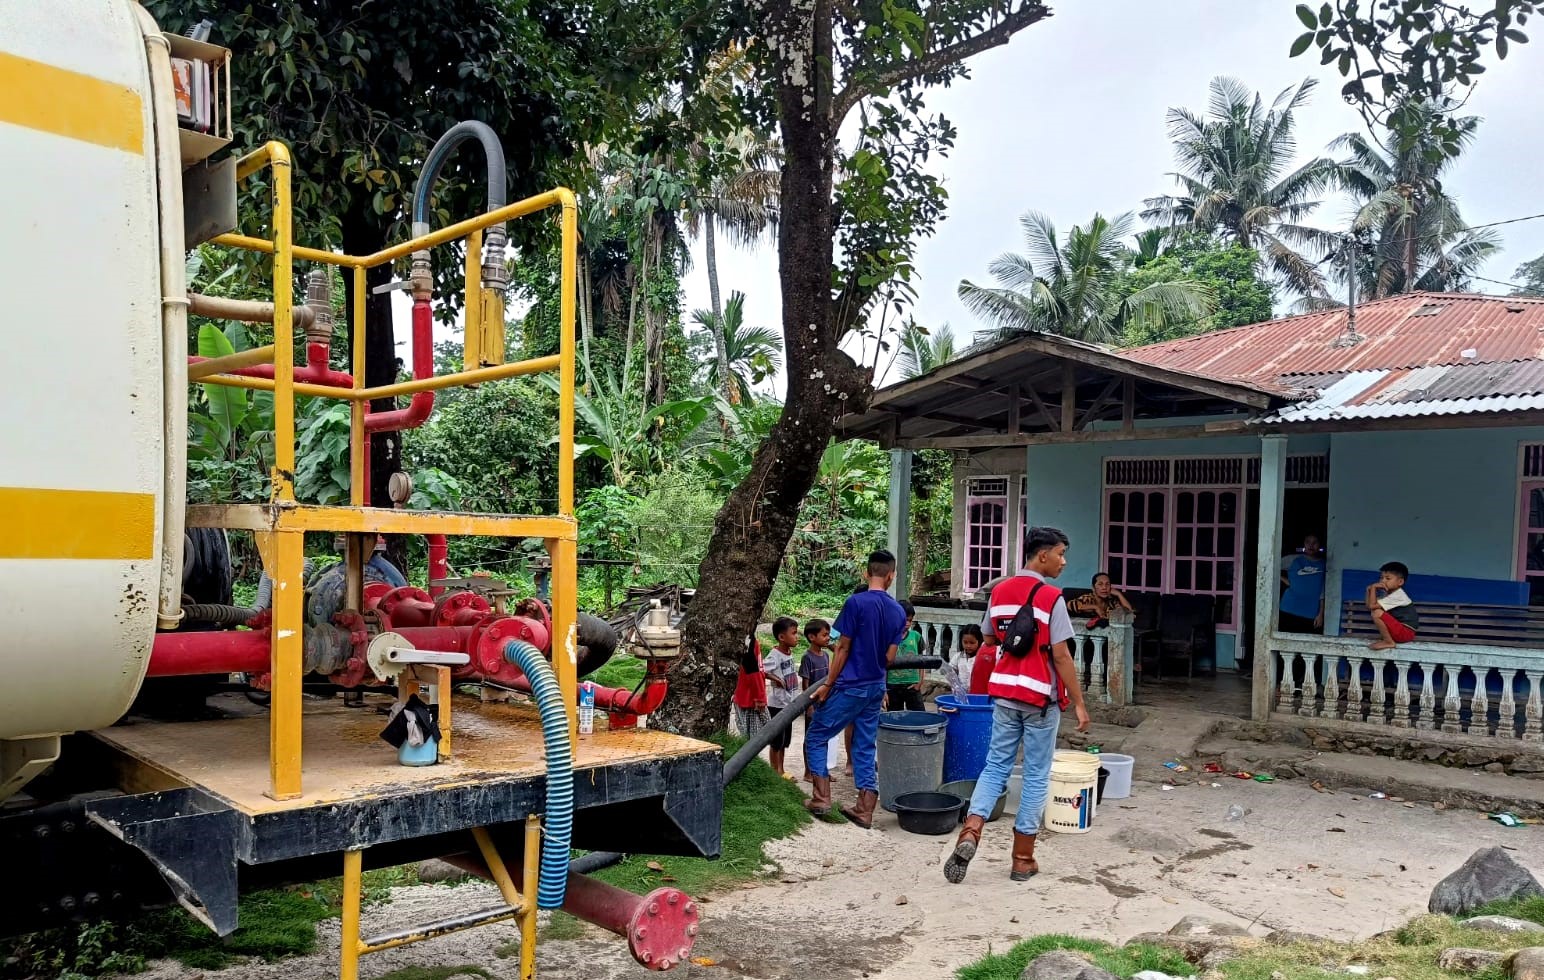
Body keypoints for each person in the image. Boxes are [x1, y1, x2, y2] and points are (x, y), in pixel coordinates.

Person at [944, 526, 1090, 885]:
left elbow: (990, 638)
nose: (1063, 561)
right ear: (1043, 555)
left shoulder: (1000, 591)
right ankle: (1022, 859)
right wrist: (1081, 704)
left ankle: (971, 831)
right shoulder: (1051, 597)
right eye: (1060, 553)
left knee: (995, 767)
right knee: (1037, 774)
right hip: (1040, 699)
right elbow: (1061, 655)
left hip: (1005, 694)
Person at [803, 549, 908, 828]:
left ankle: (821, 798)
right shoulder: (898, 612)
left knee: (816, 736)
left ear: (866, 573)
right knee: (864, 745)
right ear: (891, 576)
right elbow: (889, 658)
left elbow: (843, 648)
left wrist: (827, 684)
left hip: (851, 685)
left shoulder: (855, 603)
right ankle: (864, 809)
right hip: (876, 686)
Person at [763, 617, 802, 778]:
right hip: (777, 705)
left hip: (788, 704)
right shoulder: (775, 655)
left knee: (785, 741)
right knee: (777, 741)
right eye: (793, 633)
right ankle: (775, 771)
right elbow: (761, 670)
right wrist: (775, 679)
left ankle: (781, 769)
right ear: (781, 637)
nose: (797, 637)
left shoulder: (788, 653)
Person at [1279, 534, 1327, 634]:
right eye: (1308, 542)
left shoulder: (1324, 564)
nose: (1311, 545)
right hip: (1289, 608)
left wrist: (1320, 614)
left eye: (1315, 542)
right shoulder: (1293, 559)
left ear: (1320, 545)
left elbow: (1323, 591)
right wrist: (1287, 581)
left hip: (1310, 612)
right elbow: (1271, 565)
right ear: (1304, 544)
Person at [1367, 561, 1418, 650]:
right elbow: (1369, 606)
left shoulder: (1398, 595)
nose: (1383, 581)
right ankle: (1388, 640)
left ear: (1400, 581)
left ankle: (1388, 642)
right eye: (1381, 578)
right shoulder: (1388, 595)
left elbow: (1372, 606)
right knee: (1376, 611)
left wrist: (1374, 588)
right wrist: (1369, 591)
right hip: (1398, 631)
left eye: (1388, 578)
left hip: (1405, 633)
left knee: (1377, 612)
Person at [887, 601, 926, 711]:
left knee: (919, 717)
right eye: (905, 620)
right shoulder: (888, 637)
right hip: (892, 684)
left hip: (912, 684)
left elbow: (921, 661)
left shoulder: (916, 637)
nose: (907, 623)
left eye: (910, 620)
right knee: (894, 717)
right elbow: (884, 662)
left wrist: (919, 682)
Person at [733, 637, 769, 741]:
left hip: (745, 696)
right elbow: (752, 671)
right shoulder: (747, 640)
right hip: (750, 699)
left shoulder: (747, 639)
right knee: (754, 741)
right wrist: (759, 698)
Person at [1069, 572, 1133, 628]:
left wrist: (1119, 594)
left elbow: (1128, 612)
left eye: (1107, 584)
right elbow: (1070, 605)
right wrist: (1095, 607)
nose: (1104, 588)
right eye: (1100, 584)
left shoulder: (1111, 601)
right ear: (1093, 588)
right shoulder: (1088, 598)